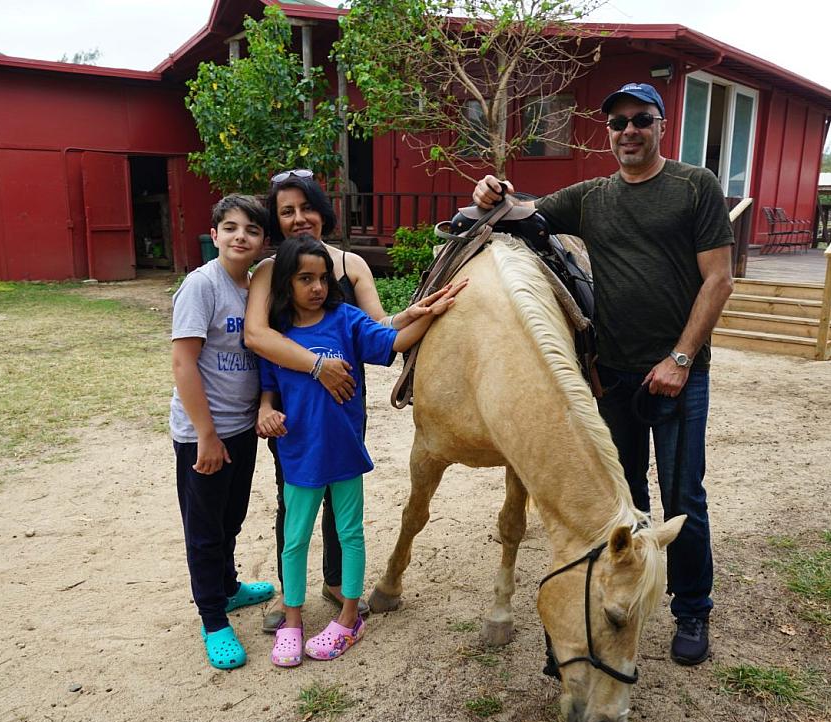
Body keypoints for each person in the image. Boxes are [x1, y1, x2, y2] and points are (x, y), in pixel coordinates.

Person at [470, 82, 734, 666]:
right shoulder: (593, 196)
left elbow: (719, 280)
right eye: (618, 123)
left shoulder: (696, 187)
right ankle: (626, 596)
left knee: (683, 493)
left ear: (662, 125)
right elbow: (523, 212)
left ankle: (692, 609)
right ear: (608, 133)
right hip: (614, 375)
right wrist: (492, 191)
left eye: (641, 119)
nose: (629, 131)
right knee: (626, 499)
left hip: (680, 374)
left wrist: (681, 358)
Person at [255, 235, 464, 666]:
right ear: (285, 285)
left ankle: (349, 619)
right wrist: (266, 413)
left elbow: (393, 342)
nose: (316, 287)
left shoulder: (346, 320)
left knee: (350, 534)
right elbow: (268, 393)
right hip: (299, 455)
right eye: (304, 279)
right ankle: (292, 621)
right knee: (294, 542)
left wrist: (430, 313)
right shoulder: (276, 336)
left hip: (345, 453)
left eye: (322, 279)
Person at [244, 169, 436, 634]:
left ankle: (335, 583)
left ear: (323, 209)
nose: (298, 218)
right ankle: (294, 599)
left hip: (345, 398)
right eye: (286, 211)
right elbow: (258, 335)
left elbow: (378, 326)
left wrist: (417, 313)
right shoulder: (270, 271)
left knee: (343, 502)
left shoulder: (351, 265)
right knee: (295, 497)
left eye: (306, 206)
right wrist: (314, 367)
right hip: (296, 402)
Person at [170, 194, 276, 670]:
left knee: (230, 518)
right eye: (230, 227)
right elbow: (183, 362)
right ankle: (213, 618)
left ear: (261, 241)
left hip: (240, 428)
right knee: (205, 531)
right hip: (204, 433)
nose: (240, 236)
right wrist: (205, 434)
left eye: (251, 230)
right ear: (213, 236)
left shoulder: (252, 287)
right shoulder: (202, 285)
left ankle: (229, 588)